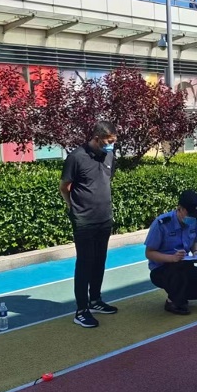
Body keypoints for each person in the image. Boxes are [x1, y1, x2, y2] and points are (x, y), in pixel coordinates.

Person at [60, 120, 120, 328]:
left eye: (114, 141)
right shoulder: (76, 157)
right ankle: (81, 310)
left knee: (99, 261)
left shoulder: (109, 155)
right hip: (84, 220)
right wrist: (74, 207)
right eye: (109, 141)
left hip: (104, 218)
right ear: (97, 138)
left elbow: (105, 181)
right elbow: (64, 187)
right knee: (85, 263)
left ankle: (95, 300)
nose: (111, 145)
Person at [145, 190, 197, 315]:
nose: (192, 218)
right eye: (189, 213)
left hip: (185, 266)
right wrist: (172, 258)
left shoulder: (194, 220)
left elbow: (195, 241)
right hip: (161, 270)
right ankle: (173, 301)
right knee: (178, 268)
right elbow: (149, 253)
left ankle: (179, 295)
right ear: (180, 209)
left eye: (195, 215)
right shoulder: (162, 223)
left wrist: (196, 252)